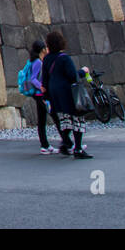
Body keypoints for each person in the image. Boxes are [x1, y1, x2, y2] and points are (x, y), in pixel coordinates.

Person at [43, 31, 91, 159]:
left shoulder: (47, 58)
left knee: (64, 118)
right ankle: (78, 149)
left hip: (54, 93)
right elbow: (72, 76)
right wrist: (83, 71)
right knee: (76, 119)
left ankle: (65, 143)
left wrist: (46, 96)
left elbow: (45, 79)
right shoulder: (64, 58)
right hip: (66, 92)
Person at [25, 39, 59, 154]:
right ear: (42, 49)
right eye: (45, 47)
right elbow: (33, 78)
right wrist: (42, 87)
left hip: (39, 95)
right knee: (54, 116)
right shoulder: (38, 62)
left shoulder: (37, 61)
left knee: (42, 120)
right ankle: (67, 142)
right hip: (41, 95)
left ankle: (45, 145)